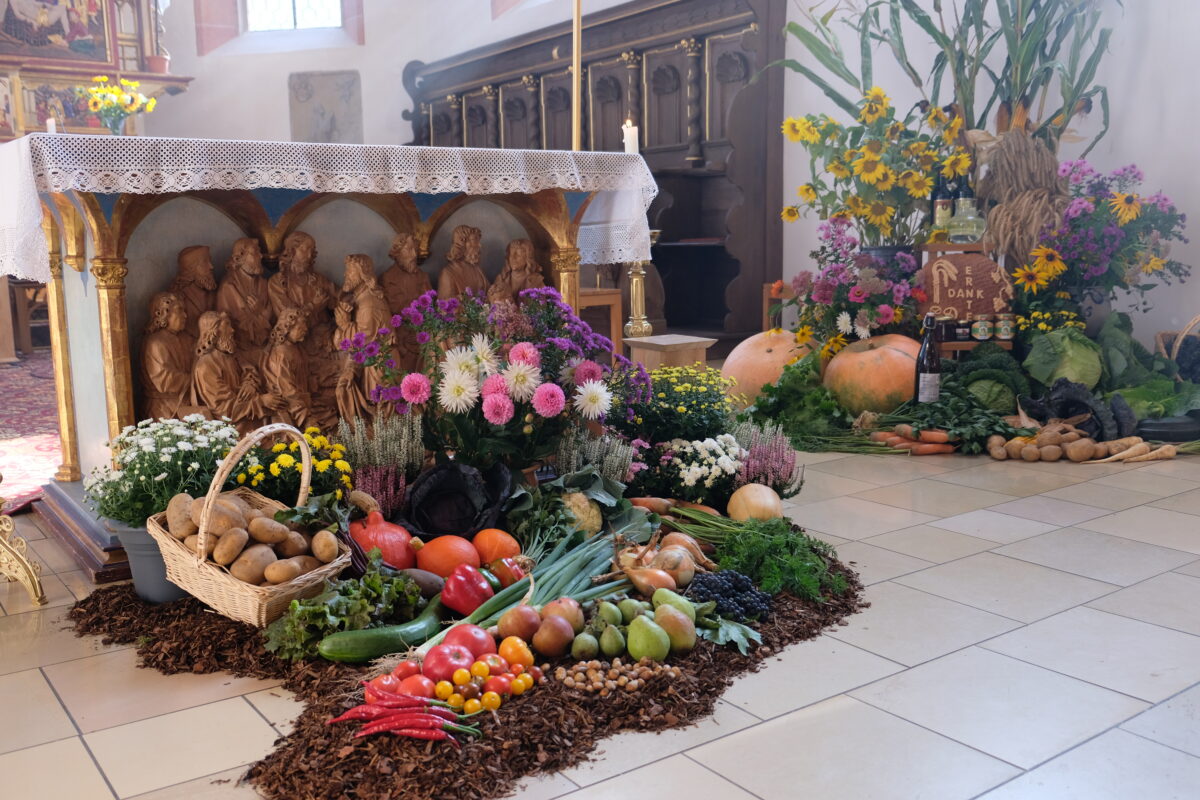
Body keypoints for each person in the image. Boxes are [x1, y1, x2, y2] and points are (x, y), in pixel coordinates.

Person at [192, 311, 278, 435]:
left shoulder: (231, 355)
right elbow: (224, 410)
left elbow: (249, 371)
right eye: (227, 325)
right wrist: (261, 402)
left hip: (249, 417)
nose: (232, 330)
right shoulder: (206, 366)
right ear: (215, 332)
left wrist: (250, 384)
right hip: (232, 428)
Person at [334, 254, 393, 422]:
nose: (345, 275)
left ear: (363, 274)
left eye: (350, 271)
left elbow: (364, 339)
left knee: (379, 414)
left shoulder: (369, 303)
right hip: (370, 362)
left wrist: (345, 325)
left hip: (378, 366)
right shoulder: (360, 299)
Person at [267, 231, 337, 363]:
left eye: (312, 250)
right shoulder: (277, 282)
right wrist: (313, 306)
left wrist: (341, 302)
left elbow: (338, 298)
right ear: (292, 251)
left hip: (323, 340)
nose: (309, 255)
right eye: (305, 250)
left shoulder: (318, 279)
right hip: (297, 344)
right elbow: (287, 316)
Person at [262, 307, 337, 432]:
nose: (305, 330)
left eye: (305, 327)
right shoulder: (281, 353)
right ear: (287, 328)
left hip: (305, 403)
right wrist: (306, 418)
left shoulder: (295, 348)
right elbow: (288, 391)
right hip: (292, 410)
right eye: (300, 328)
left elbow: (303, 379)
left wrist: (322, 381)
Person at [216, 237, 273, 365]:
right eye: (255, 253)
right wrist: (261, 315)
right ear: (239, 259)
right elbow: (228, 326)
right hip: (241, 351)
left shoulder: (263, 284)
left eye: (260, 252)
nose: (261, 256)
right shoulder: (228, 287)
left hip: (265, 347)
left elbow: (271, 316)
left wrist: (260, 312)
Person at [380, 232, 431, 372]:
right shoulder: (388, 278)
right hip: (401, 336)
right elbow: (390, 310)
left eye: (416, 249)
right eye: (409, 250)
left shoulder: (423, 276)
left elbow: (430, 306)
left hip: (422, 333)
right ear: (397, 252)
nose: (414, 255)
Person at [139, 292, 193, 420]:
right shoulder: (155, 343)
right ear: (164, 314)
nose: (185, 315)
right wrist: (197, 380)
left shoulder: (186, 339)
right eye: (179, 311)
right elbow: (165, 381)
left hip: (185, 403)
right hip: (164, 409)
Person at [169, 245, 217, 338]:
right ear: (191, 269)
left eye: (210, 261)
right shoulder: (177, 297)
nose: (211, 266)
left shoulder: (212, 292)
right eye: (205, 262)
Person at [436, 225, 489, 300]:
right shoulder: (448, 273)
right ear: (463, 244)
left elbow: (488, 293)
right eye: (475, 241)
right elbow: (445, 303)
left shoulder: (477, 269)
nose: (479, 245)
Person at [487, 238, 546, 304]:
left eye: (518, 255)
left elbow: (541, 307)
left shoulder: (536, 282)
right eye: (511, 254)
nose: (513, 258)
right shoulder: (501, 279)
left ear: (527, 258)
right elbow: (492, 304)